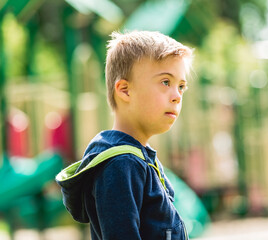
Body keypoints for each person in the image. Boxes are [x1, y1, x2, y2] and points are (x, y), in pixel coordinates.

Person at [56, 30, 193, 240]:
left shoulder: (139, 158)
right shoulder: (121, 164)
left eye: (181, 86)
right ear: (125, 90)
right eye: (166, 82)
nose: (176, 96)